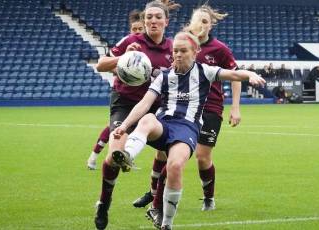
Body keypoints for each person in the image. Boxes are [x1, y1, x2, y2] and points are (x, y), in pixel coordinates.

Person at [112, 31, 265, 230]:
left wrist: (250, 74)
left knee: (175, 166)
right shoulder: (163, 76)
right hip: (164, 125)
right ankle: (127, 155)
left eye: (183, 51)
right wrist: (123, 127)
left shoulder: (205, 71)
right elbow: (144, 103)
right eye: (175, 50)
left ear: (195, 52)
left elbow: (233, 74)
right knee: (148, 117)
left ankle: (166, 223)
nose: (178, 54)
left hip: (187, 129)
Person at [132, 4, 243, 218]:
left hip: (209, 107)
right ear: (190, 22)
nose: (201, 25)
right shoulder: (181, 43)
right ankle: (154, 195)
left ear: (211, 25)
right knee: (163, 152)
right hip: (177, 106)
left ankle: (208, 196)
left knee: (202, 157)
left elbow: (235, 75)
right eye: (197, 20)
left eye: (205, 21)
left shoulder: (219, 49)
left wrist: (235, 107)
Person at [92, 1, 179, 229]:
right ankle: (104, 202)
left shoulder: (172, 48)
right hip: (125, 103)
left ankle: (156, 205)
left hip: (156, 108)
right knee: (115, 155)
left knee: (171, 155)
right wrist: (122, 59)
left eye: (157, 17)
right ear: (143, 21)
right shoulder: (131, 41)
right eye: (148, 17)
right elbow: (101, 64)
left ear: (166, 22)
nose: (152, 21)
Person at [87, 9, 145, 170]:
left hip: (145, 98)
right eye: (135, 29)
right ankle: (94, 156)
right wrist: (125, 68)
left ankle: (129, 157)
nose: (138, 32)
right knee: (115, 127)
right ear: (130, 30)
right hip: (124, 95)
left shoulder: (151, 44)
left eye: (141, 28)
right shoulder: (127, 42)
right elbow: (108, 65)